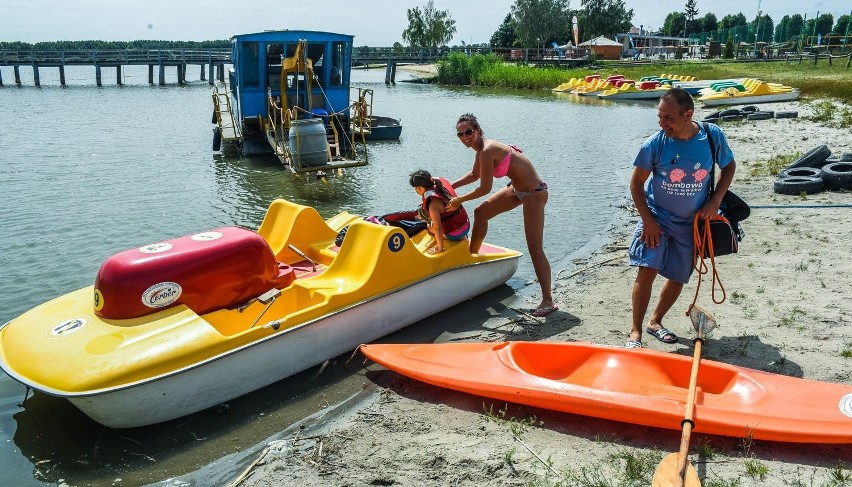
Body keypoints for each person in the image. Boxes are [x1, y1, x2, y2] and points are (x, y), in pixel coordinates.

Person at [626, 88, 736, 348]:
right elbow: (636, 184)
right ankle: (635, 332)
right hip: (658, 217)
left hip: (692, 223)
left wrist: (716, 200)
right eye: (660, 117)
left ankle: (656, 322)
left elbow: (729, 166)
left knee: (678, 275)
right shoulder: (655, 143)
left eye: (669, 118)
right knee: (647, 269)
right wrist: (648, 220)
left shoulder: (712, 136)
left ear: (688, 115)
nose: (663, 124)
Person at [445, 113, 556, 317]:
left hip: (534, 193)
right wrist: (449, 186)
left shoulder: (487, 150)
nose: (464, 137)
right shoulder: (481, 150)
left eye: (468, 132)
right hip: (516, 190)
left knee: (534, 247)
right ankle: (472, 257)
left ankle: (548, 300)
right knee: (481, 212)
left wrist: (459, 200)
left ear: (477, 131)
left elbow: (484, 188)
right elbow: (474, 175)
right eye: (460, 134)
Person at [409, 170, 470, 254]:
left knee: (428, 227)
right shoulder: (438, 183)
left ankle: (460, 238)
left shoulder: (433, 204)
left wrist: (439, 248)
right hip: (466, 225)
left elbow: (438, 228)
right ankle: (463, 237)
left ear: (419, 188)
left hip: (454, 234)